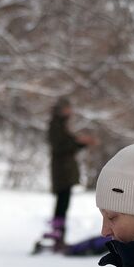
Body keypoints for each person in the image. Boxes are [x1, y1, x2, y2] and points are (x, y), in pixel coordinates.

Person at [38, 97, 95, 253]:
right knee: (62, 203)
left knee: (63, 203)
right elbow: (60, 147)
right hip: (62, 172)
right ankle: (57, 236)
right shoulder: (56, 125)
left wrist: (78, 142)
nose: (70, 111)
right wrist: (79, 142)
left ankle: (59, 236)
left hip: (65, 171)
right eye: (67, 108)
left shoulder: (61, 125)